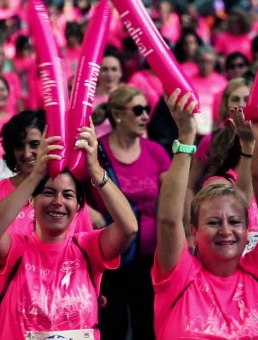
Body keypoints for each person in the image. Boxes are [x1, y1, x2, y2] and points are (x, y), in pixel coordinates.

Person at [153, 88, 258, 339]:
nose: (226, 230)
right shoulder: (179, 275)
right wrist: (186, 137)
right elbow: (168, 220)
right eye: (214, 222)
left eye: (235, 222)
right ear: (194, 232)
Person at [0, 119, 138, 339]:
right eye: (48, 193)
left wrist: (95, 170)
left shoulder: (89, 248)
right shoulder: (16, 248)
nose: (58, 201)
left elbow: (129, 227)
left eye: (68, 195)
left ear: (78, 208)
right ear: (32, 201)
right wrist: (35, 175)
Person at [93, 86, 171, 339]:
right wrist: (92, 215)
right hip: (111, 254)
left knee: (146, 324)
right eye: (138, 110)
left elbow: (173, 198)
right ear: (116, 114)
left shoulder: (155, 152)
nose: (145, 116)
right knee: (113, 325)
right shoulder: (97, 153)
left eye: (147, 110)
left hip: (149, 256)